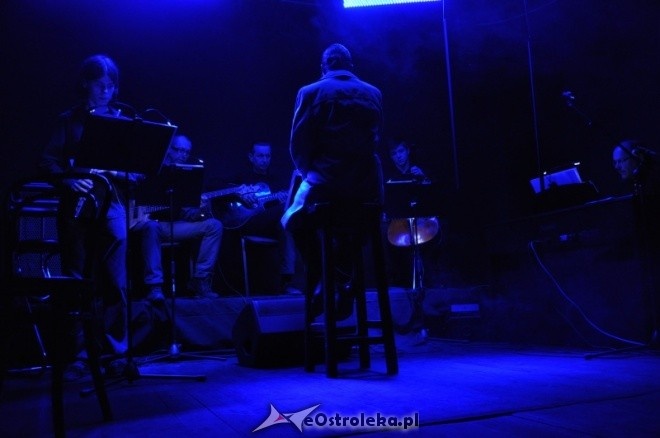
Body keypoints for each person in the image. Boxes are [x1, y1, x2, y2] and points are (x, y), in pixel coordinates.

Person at [38, 54, 135, 380]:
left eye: (111, 86)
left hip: (112, 204)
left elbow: (139, 172)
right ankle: (79, 356)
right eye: (99, 85)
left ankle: (117, 354)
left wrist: (115, 172)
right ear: (85, 83)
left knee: (116, 282)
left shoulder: (123, 121)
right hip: (77, 205)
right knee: (76, 279)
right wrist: (68, 180)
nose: (106, 91)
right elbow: (48, 161)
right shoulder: (68, 120)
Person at [281, 43, 384, 319]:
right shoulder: (374, 93)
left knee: (293, 221)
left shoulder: (310, 92)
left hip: (326, 186)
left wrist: (309, 173)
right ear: (351, 66)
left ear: (323, 67)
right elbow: (375, 140)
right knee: (357, 225)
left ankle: (323, 278)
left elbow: (298, 145)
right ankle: (343, 277)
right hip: (365, 191)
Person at [130, 134, 223, 302]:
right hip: (148, 222)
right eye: (179, 150)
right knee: (151, 227)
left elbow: (188, 213)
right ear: (169, 149)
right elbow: (136, 199)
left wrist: (199, 208)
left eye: (186, 151)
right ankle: (154, 287)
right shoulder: (152, 169)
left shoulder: (188, 175)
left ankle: (200, 280)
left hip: (174, 225)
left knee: (214, 225)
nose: (183, 155)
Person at [220, 142, 298, 294]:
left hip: (272, 225)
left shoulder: (276, 180)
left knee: (288, 221)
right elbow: (219, 188)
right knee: (285, 215)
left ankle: (286, 281)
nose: (265, 160)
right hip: (248, 222)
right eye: (260, 156)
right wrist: (240, 193)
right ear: (251, 157)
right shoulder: (241, 176)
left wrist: (284, 199)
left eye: (268, 156)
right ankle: (286, 282)